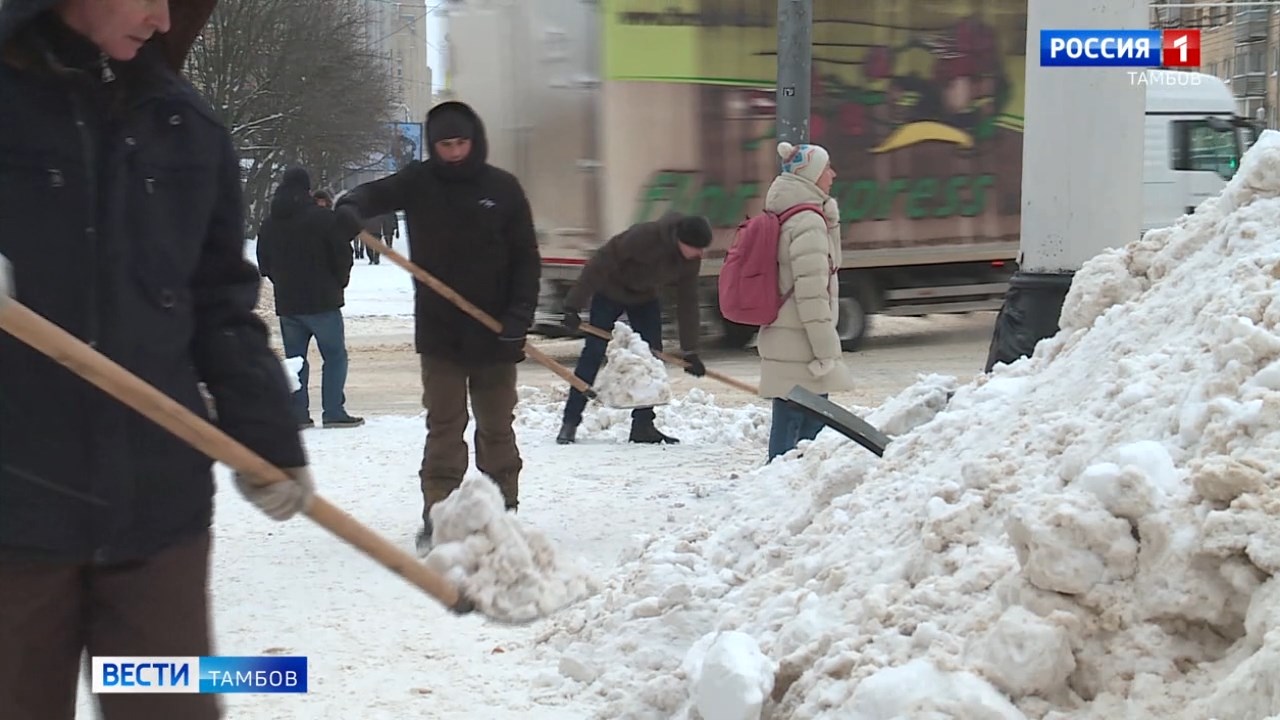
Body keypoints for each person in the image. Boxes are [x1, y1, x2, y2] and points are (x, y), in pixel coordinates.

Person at [0, 1, 317, 719]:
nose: (164, 19)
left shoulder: (186, 126)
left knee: (168, 708)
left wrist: (267, 436)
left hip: (155, 515)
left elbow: (219, 303)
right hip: (12, 516)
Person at [334, 101, 540, 554]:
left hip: (495, 333)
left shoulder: (502, 189)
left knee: (497, 427)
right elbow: (374, 193)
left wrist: (517, 320)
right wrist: (350, 206)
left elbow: (527, 260)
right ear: (434, 144)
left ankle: (501, 511)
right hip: (441, 334)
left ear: (475, 140)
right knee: (445, 426)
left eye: (460, 143)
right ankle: (439, 516)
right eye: (445, 144)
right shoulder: (420, 182)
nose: (453, 153)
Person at [555, 212, 712, 446]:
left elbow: (687, 301)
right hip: (610, 292)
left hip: (644, 298)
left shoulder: (689, 260)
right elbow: (600, 262)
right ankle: (570, 423)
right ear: (680, 240)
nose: (700, 254)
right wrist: (572, 306)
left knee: (651, 359)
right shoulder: (644, 237)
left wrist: (690, 351)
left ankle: (643, 426)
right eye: (696, 248)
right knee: (594, 351)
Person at [758, 141, 853, 461]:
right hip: (802, 344)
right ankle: (782, 492)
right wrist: (826, 351)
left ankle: (777, 488)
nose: (833, 174)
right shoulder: (808, 223)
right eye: (827, 169)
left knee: (789, 419)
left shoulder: (789, 212)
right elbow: (812, 296)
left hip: (787, 336)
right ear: (811, 174)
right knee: (805, 432)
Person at [256, 166, 364, 429]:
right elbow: (342, 254)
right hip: (323, 301)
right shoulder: (323, 218)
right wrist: (339, 282)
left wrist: (280, 281)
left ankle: (297, 413)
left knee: (295, 360)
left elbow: (264, 261)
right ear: (307, 188)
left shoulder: (270, 223)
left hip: (288, 303)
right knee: (335, 356)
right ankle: (333, 411)